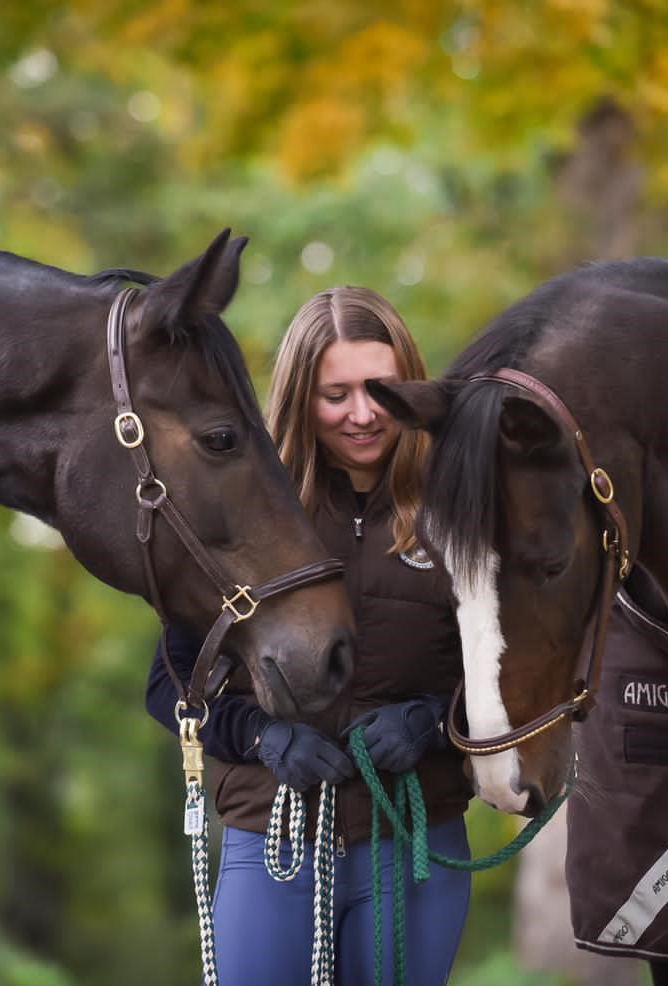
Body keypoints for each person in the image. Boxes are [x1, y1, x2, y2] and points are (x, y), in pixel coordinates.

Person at [146, 286, 472, 985]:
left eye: (381, 389)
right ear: (301, 397)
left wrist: (434, 724)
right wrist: (262, 737)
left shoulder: (462, 514)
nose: (363, 414)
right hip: (273, 838)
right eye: (337, 394)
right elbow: (169, 687)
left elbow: (522, 679)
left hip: (416, 843)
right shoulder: (240, 516)